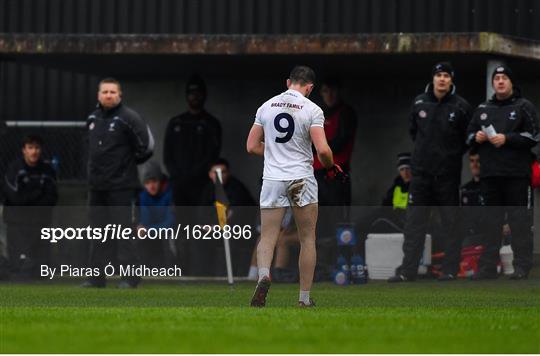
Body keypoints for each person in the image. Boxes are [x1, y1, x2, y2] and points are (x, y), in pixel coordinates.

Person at [246, 65, 345, 307]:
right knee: (307, 239)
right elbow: (322, 150)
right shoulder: (313, 109)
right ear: (310, 88)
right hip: (301, 178)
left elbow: (251, 145)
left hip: (272, 179)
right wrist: (331, 166)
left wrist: (274, 155)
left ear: (288, 82)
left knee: (268, 235)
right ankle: (304, 298)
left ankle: (263, 275)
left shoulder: (266, 107)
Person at [388, 62, 472, 283]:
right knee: (414, 224)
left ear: (451, 80)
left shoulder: (461, 107)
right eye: (438, 75)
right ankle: (408, 271)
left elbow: (467, 140)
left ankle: (450, 270)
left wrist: (449, 157)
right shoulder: (419, 102)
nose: (442, 79)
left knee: (451, 224)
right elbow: (414, 133)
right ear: (433, 79)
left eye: (446, 75)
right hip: (422, 176)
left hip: (447, 177)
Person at [467, 65, 539, 280]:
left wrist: (508, 138)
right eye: (496, 78)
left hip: (517, 175)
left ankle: (522, 266)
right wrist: (476, 138)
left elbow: (535, 136)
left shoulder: (524, 106)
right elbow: (467, 136)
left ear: (511, 82)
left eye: (504, 78)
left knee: (519, 222)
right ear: (493, 84)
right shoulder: (482, 108)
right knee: (491, 223)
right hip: (490, 176)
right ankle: (488, 268)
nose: (500, 81)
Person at [84, 77, 154, 288]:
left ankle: (130, 278)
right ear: (98, 95)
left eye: (112, 92)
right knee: (98, 233)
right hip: (97, 187)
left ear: (119, 95)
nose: (108, 95)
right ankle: (96, 279)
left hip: (122, 187)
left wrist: (124, 166)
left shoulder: (129, 118)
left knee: (123, 232)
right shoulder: (92, 118)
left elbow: (147, 147)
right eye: (104, 92)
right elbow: (87, 150)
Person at [163, 74, 222, 274]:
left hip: (202, 186)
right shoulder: (176, 123)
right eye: (190, 93)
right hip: (179, 186)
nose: (194, 97)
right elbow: (167, 155)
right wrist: (178, 177)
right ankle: (181, 269)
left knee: (201, 228)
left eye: (197, 93)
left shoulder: (211, 124)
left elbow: (212, 155)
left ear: (204, 95)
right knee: (181, 228)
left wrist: (194, 175)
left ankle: (201, 271)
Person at [2, 135, 57, 278]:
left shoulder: (47, 171)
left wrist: (30, 198)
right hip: (18, 224)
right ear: (24, 150)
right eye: (30, 148)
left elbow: (51, 197)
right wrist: (37, 194)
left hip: (39, 222)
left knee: (40, 270)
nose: (34, 152)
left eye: (37, 148)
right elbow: (15, 197)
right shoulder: (15, 169)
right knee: (19, 267)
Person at [196, 158, 256, 276]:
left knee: (233, 238)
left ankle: (230, 276)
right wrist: (207, 226)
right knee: (198, 238)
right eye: (215, 172)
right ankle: (202, 276)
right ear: (209, 175)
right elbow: (201, 214)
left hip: (238, 229)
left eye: (222, 172)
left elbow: (236, 215)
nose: (219, 175)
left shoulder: (237, 188)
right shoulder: (208, 190)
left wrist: (218, 226)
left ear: (228, 173)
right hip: (214, 229)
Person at [314, 78, 357, 206]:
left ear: (339, 92)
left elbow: (340, 143)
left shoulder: (346, 113)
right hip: (315, 173)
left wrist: (315, 147)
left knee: (337, 217)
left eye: (333, 90)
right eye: (325, 91)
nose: (329, 95)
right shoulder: (318, 114)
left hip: (336, 172)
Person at [137, 161, 175, 268]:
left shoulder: (170, 193)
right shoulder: (143, 196)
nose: (151, 186)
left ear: (160, 180)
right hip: (152, 234)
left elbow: (171, 223)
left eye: (154, 181)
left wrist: (148, 230)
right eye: (147, 183)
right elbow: (145, 221)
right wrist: (143, 230)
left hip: (168, 234)